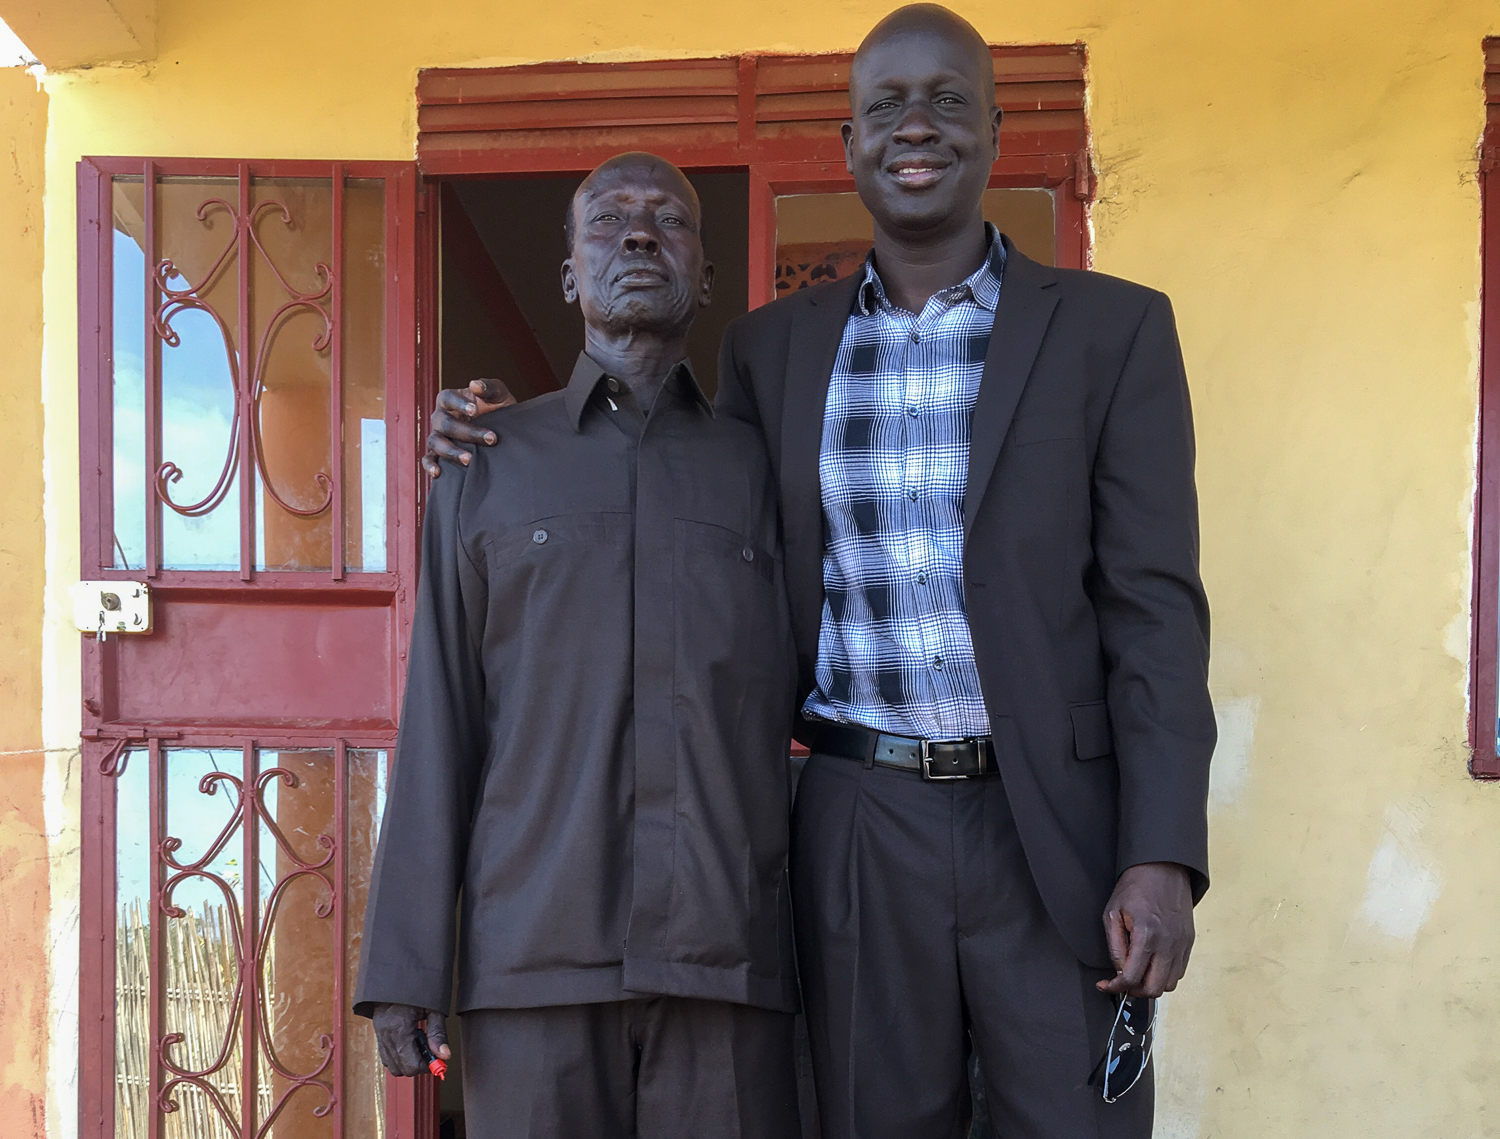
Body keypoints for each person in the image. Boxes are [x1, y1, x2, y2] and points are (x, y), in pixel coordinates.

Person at [426, 6, 1215, 1137]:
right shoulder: (770, 350)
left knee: (1074, 1120)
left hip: (1054, 828)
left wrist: (1162, 852)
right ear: (848, 146)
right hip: (854, 817)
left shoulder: (1113, 333)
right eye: (885, 104)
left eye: (948, 99)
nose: (917, 125)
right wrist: (490, 430)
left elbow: (1157, 612)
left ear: (993, 130)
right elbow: (669, 492)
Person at [358, 152, 802, 1139]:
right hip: (533, 965)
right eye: (608, 220)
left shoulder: (761, 474)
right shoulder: (485, 467)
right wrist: (405, 964)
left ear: (706, 272)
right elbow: (441, 719)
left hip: (723, 964)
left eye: (669, 220)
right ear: (568, 274)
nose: (639, 234)